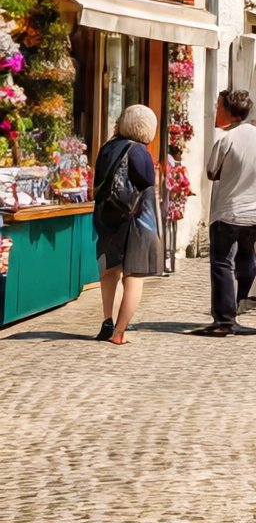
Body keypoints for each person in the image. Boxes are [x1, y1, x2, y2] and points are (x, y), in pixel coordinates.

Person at [202, 90, 256, 336]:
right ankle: (241, 302)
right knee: (247, 255)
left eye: (218, 106)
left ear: (227, 110)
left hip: (230, 210)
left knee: (222, 263)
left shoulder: (227, 139)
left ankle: (225, 319)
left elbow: (212, 172)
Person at [92, 104, 162, 345]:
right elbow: (147, 182)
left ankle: (106, 321)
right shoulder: (139, 151)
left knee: (109, 269)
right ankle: (119, 332)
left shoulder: (107, 148)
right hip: (135, 219)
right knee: (133, 275)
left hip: (106, 216)